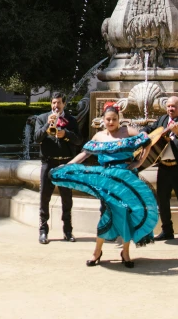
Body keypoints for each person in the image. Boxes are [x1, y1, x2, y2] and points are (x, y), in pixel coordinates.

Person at [50, 102, 158, 268]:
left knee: (127, 214)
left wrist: (138, 162)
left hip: (126, 181)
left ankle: (126, 253)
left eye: (114, 119)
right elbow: (84, 155)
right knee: (107, 214)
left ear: (119, 119)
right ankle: (97, 251)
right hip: (107, 181)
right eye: (108, 119)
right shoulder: (99, 137)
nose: (111, 122)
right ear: (103, 120)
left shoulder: (128, 132)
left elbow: (147, 141)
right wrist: (68, 166)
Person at [143, 95, 178, 247]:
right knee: (162, 200)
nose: (170, 109)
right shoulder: (161, 120)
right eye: (168, 106)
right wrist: (143, 132)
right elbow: (149, 128)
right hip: (163, 167)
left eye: (173, 106)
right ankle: (167, 230)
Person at [34, 92, 83, 245]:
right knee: (44, 198)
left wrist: (66, 134)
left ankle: (68, 231)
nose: (56, 106)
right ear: (51, 104)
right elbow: (37, 138)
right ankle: (43, 231)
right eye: (54, 103)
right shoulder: (42, 118)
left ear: (63, 104)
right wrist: (48, 125)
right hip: (48, 163)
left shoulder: (71, 120)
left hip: (65, 164)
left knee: (67, 199)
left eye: (59, 103)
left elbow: (79, 140)